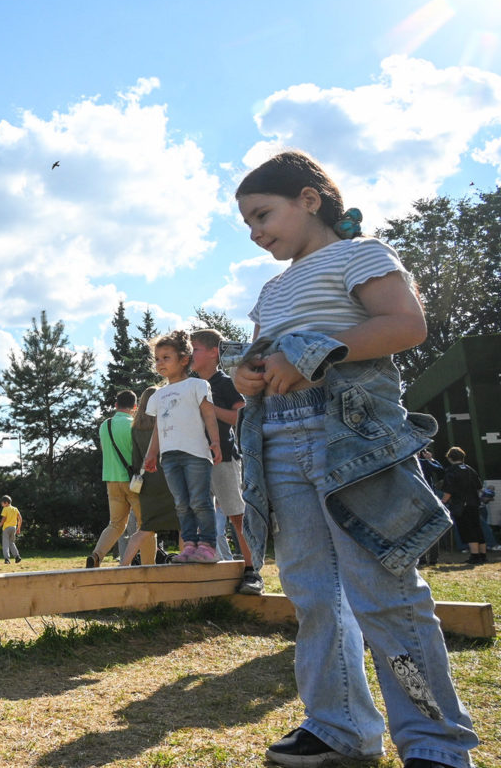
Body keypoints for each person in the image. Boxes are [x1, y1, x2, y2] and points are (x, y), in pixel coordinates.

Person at [233, 151, 476, 767]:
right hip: (280, 445)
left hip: (355, 442)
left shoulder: (362, 253)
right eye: (248, 225)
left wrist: (315, 352)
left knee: (383, 592)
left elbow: (406, 325)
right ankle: (338, 728)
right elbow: (268, 357)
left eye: (263, 215)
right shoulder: (273, 287)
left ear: (310, 199)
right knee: (312, 593)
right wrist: (250, 375)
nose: (257, 233)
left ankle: (434, 745)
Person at [190, 329, 263, 594]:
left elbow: (240, 419)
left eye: (195, 349)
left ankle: (252, 571)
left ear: (213, 352)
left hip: (225, 459)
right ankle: (203, 571)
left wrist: (209, 408)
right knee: (196, 515)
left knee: (236, 516)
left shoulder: (224, 383)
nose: (190, 354)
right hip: (197, 460)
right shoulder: (191, 384)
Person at [142, 331, 222, 563]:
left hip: (196, 453)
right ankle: (189, 545)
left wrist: (215, 441)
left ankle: (208, 546)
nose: (160, 363)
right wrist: (151, 453)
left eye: (166, 357)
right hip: (169, 457)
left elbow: (209, 414)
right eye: (157, 358)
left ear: (184, 359)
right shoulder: (158, 396)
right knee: (181, 504)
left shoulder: (197, 385)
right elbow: (159, 426)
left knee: (200, 501)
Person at [87, 390, 146, 568]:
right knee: (146, 526)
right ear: (135, 407)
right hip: (134, 482)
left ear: (116, 405)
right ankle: (149, 564)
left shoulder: (105, 425)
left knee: (116, 524)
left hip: (111, 480)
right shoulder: (135, 424)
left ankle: (97, 555)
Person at [123, 387, 180, 564]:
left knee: (146, 528)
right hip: (170, 480)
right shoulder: (167, 423)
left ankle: (123, 564)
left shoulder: (136, 428)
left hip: (148, 483)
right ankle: (187, 566)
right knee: (184, 525)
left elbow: (136, 460)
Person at [440, 447, 487, 566]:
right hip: (474, 503)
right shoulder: (470, 469)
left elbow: (448, 491)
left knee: (468, 529)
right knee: (477, 527)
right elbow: (479, 487)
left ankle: (474, 556)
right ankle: (483, 555)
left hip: (461, 505)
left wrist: (442, 502)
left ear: (450, 458)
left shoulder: (451, 471)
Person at [0, 495, 23, 564]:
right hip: (13, 528)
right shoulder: (15, 509)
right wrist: (18, 528)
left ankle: (7, 559)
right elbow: (20, 519)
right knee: (12, 542)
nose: (2, 505)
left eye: (2, 503)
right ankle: (17, 556)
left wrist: (0, 524)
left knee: (5, 544)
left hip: (6, 528)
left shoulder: (5, 509)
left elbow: (4, 518)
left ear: (6, 503)